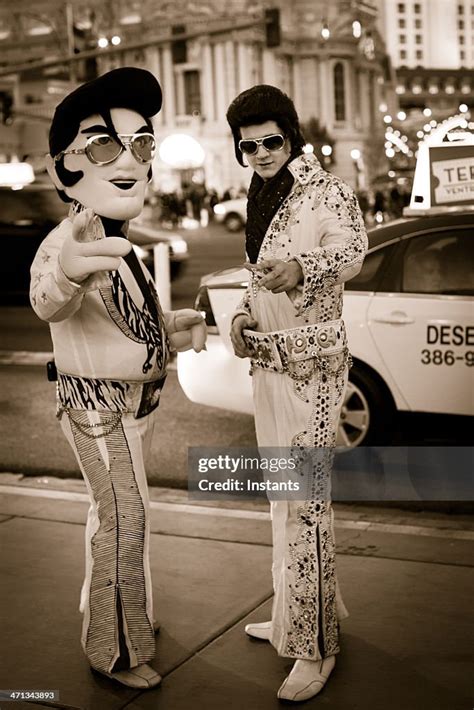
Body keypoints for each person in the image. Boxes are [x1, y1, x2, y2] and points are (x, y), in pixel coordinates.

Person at [30, 67, 206, 690]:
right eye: (103, 145)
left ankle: (126, 616)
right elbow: (46, 301)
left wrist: (174, 327)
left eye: (141, 144)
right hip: (97, 407)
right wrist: (68, 273)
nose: (129, 159)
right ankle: (115, 649)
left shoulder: (118, 239)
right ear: (63, 169)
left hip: (133, 405)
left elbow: (134, 320)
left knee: (121, 517)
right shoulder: (67, 241)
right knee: (122, 519)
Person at [226, 85, 367, 702]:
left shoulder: (327, 191)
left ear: (291, 136)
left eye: (270, 141)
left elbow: (354, 251)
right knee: (284, 501)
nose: (258, 153)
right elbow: (257, 275)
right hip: (270, 367)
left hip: (313, 372)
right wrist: (238, 318)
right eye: (247, 144)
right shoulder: (259, 195)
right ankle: (293, 616)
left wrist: (305, 268)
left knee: (306, 505)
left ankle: (315, 648)